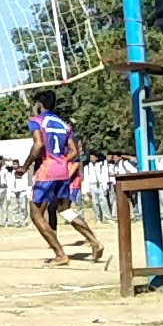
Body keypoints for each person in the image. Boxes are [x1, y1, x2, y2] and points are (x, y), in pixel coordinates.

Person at [24, 91, 104, 266]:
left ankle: (60, 254)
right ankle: (94, 242)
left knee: (36, 213)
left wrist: (24, 167)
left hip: (47, 171)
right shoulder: (63, 124)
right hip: (62, 171)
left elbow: (38, 144)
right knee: (65, 210)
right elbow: (75, 151)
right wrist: (60, 162)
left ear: (39, 104)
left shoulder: (35, 120)